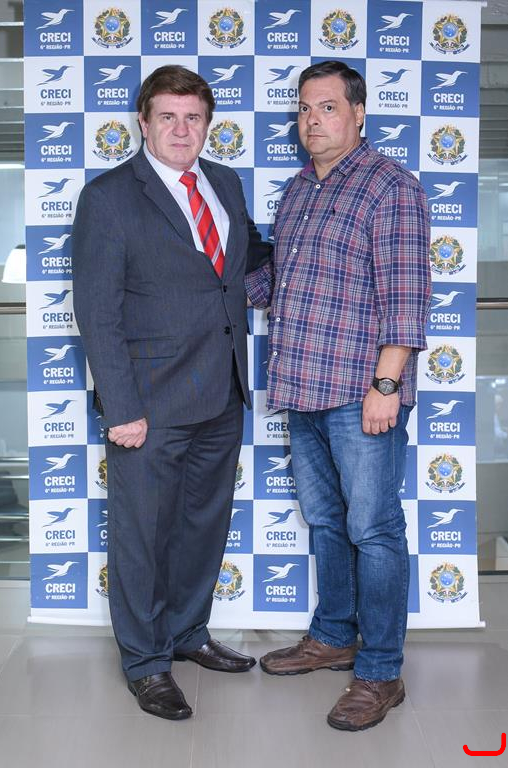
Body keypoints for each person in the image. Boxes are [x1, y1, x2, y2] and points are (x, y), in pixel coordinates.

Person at [72, 65, 271, 721]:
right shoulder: (108, 197)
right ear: (143, 121)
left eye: (193, 118)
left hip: (222, 392)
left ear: (207, 124)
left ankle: (187, 633)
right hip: (150, 404)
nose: (182, 130)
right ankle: (146, 662)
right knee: (141, 536)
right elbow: (96, 311)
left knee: (200, 528)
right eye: (168, 117)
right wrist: (121, 408)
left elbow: (244, 258)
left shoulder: (224, 182)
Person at [246, 60, 431, 731]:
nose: (311, 120)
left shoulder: (390, 186)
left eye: (326, 107)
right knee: (326, 521)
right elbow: (278, 283)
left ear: (357, 113)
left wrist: (386, 385)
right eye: (303, 108)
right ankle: (332, 635)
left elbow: (407, 297)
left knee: (372, 529)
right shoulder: (299, 190)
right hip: (302, 385)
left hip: (360, 392)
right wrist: (204, 266)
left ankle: (380, 672)